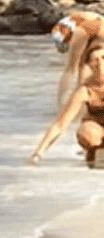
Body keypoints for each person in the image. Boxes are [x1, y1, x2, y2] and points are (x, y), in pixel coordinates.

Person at [30, 9, 104, 165]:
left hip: (91, 35)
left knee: (80, 76)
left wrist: (61, 101)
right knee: (85, 89)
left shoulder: (81, 32)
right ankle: (92, 140)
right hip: (92, 37)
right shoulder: (82, 24)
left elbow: (71, 69)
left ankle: (93, 139)